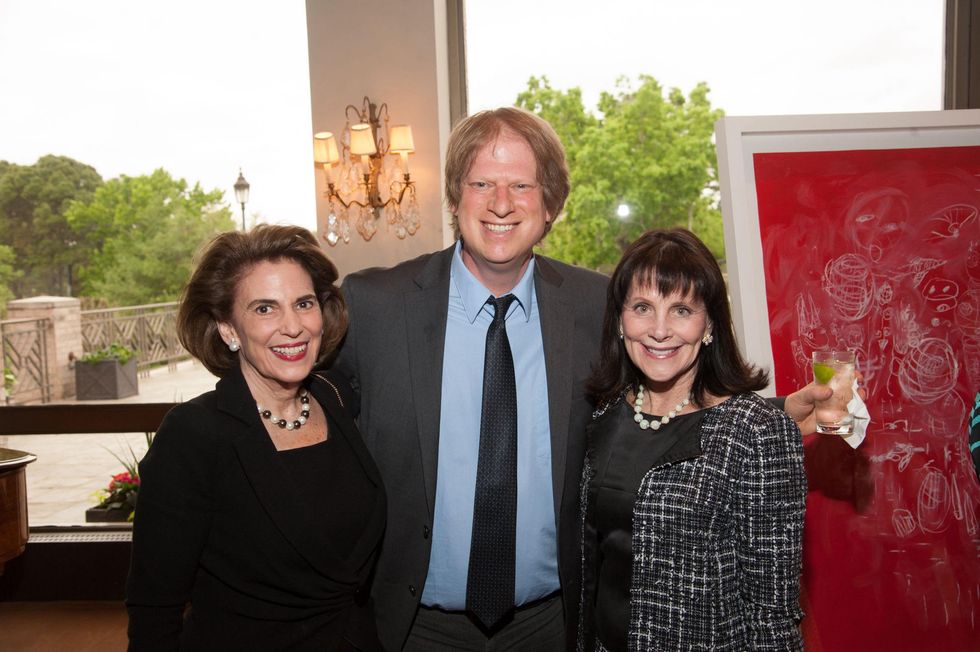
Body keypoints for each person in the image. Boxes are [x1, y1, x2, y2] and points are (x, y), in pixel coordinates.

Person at [333, 107, 828, 651]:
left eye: (522, 185)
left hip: (552, 627)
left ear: (551, 206)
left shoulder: (596, 306)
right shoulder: (376, 306)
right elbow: (309, 423)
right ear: (455, 197)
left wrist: (771, 416)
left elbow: (663, 394)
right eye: (482, 183)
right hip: (413, 628)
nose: (502, 203)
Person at [126, 225, 386, 651]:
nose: (292, 327)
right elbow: (154, 607)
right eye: (265, 309)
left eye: (303, 303)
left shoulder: (336, 398)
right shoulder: (194, 435)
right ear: (228, 329)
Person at [579, 228, 806, 651]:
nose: (659, 330)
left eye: (681, 310)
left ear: (710, 324)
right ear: (619, 320)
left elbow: (771, 614)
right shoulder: (606, 413)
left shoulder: (756, 432)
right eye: (643, 307)